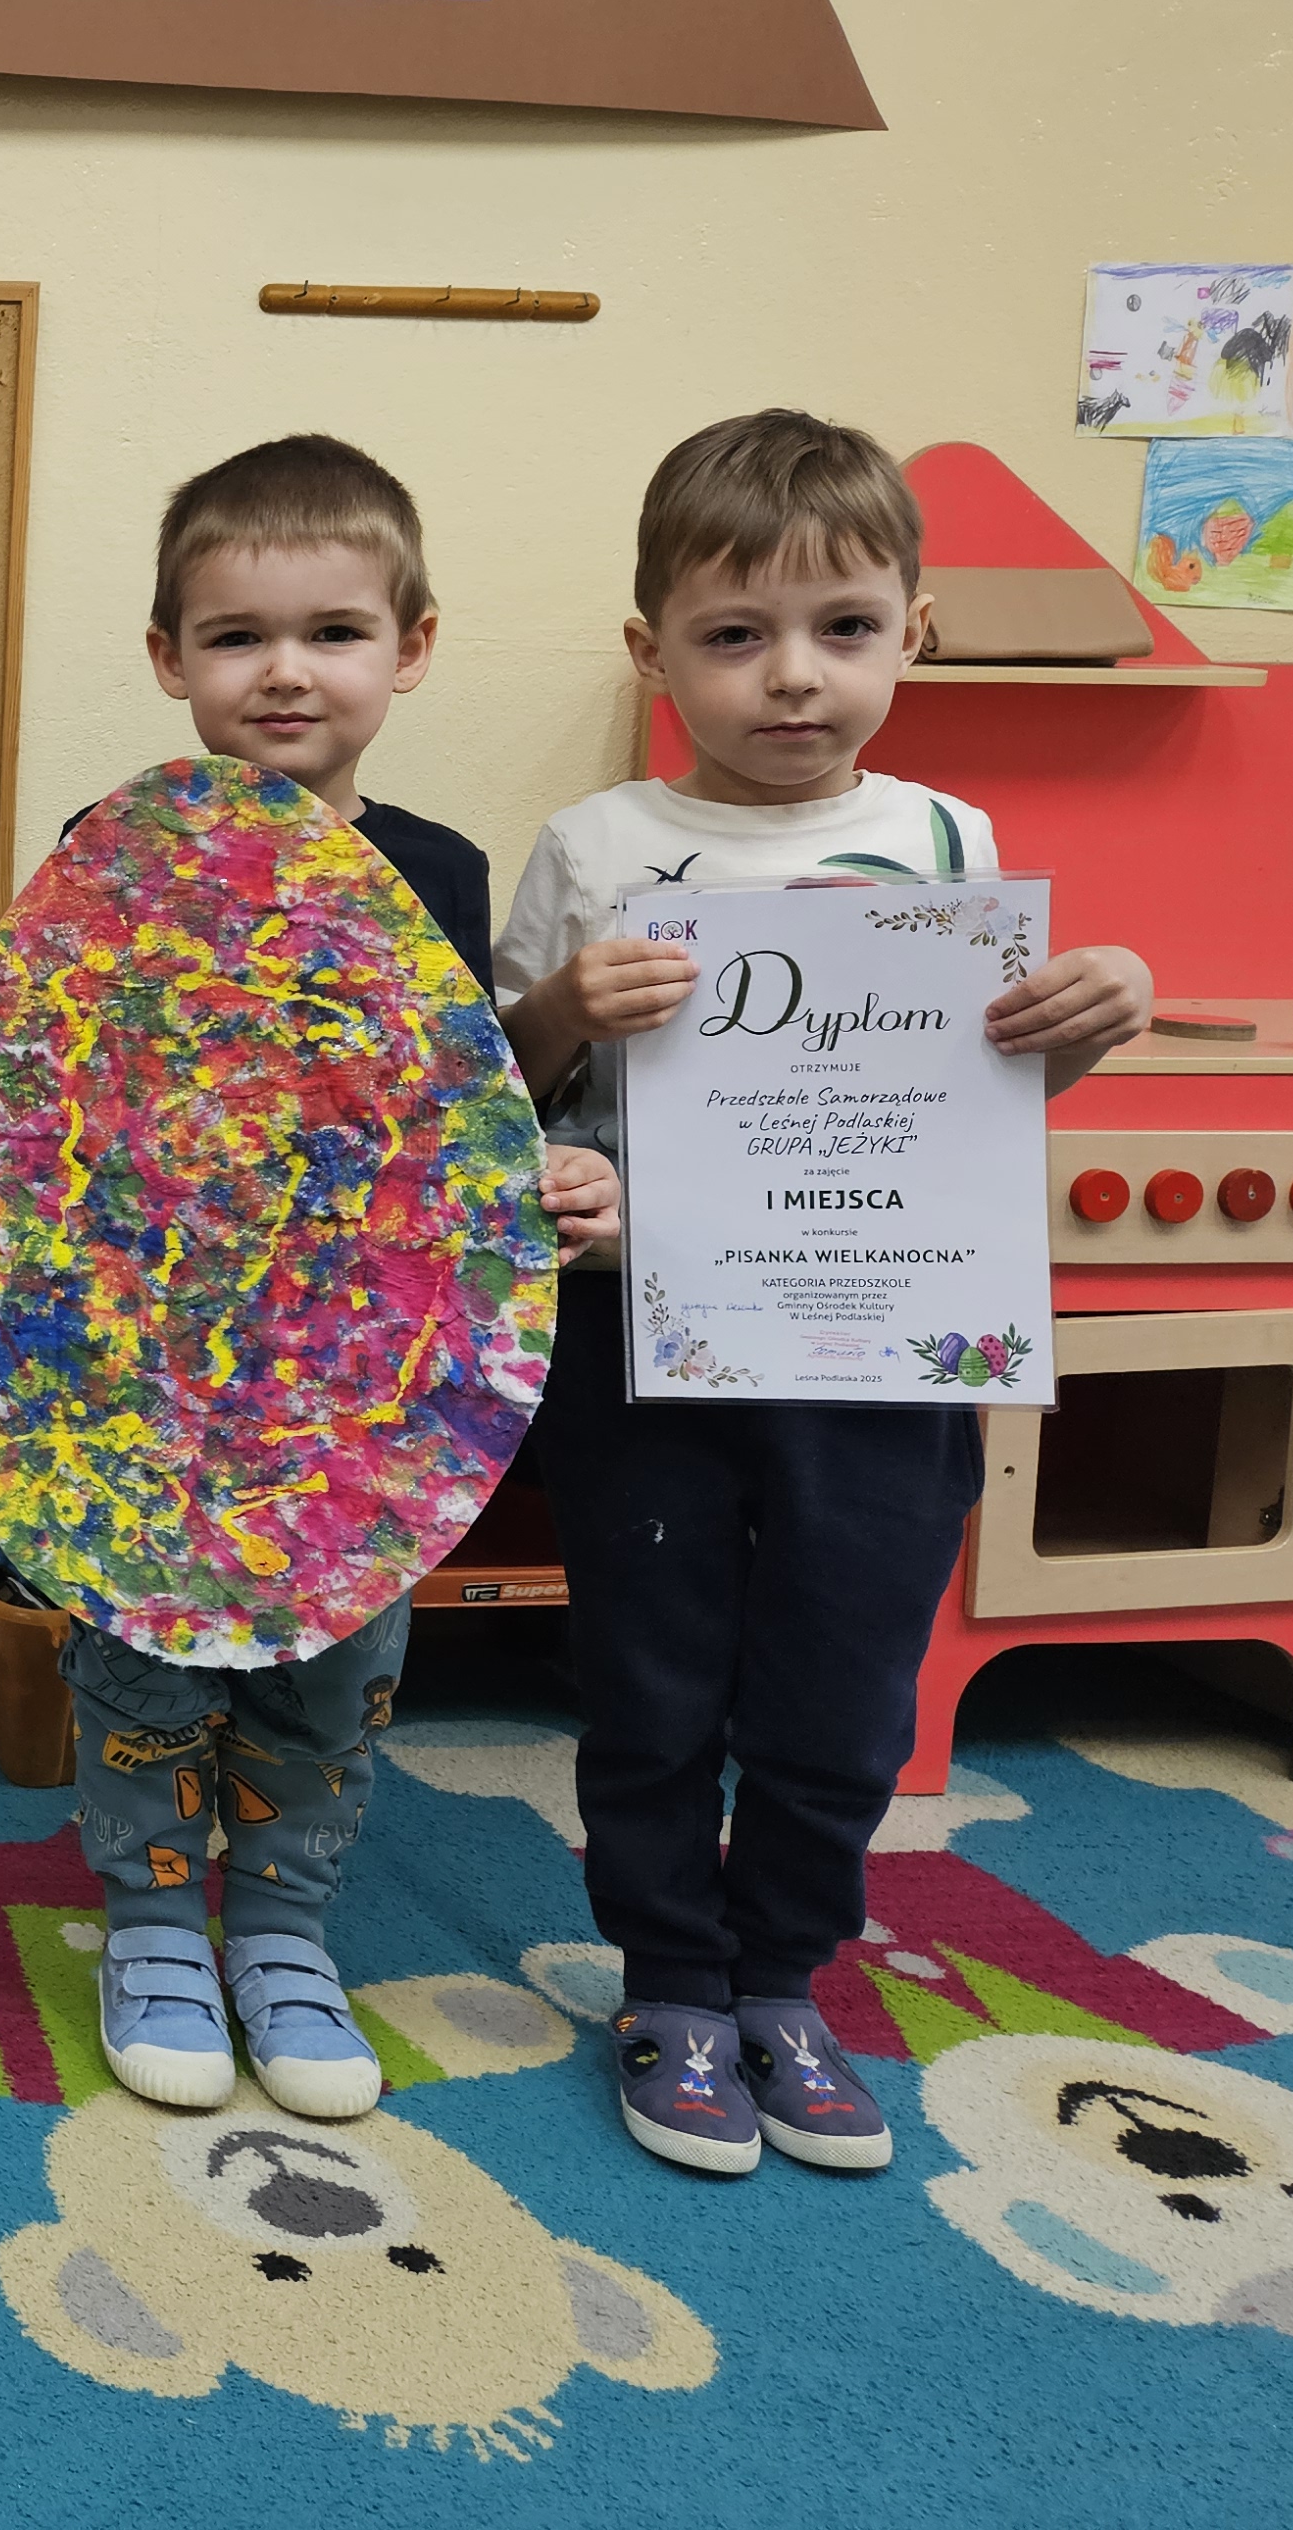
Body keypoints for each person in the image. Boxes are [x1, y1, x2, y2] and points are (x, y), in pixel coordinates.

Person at [0, 434, 621, 2118]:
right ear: (168, 657)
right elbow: (50, 1070)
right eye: (237, 636)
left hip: (355, 1383)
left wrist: (547, 1180)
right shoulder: (111, 844)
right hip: (146, 1369)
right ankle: (148, 1925)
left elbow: (457, 1109)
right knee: (138, 1646)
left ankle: (282, 1928)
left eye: (335, 632)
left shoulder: (435, 873)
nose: (286, 671)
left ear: (411, 648)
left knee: (334, 1653)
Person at [496, 407, 1150, 2176]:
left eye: (844, 628)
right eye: (735, 634)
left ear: (912, 632)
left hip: (885, 1342)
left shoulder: (948, 837)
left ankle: (782, 1977)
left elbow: (979, 1090)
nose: (793, 676)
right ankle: (669, 1982)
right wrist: (563, 1015)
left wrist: (1096, 1007)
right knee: (651, 1677)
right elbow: (496, 1104)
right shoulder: (595, 844)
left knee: (847, 1681)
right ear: (653, 651)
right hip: (649, 1336)